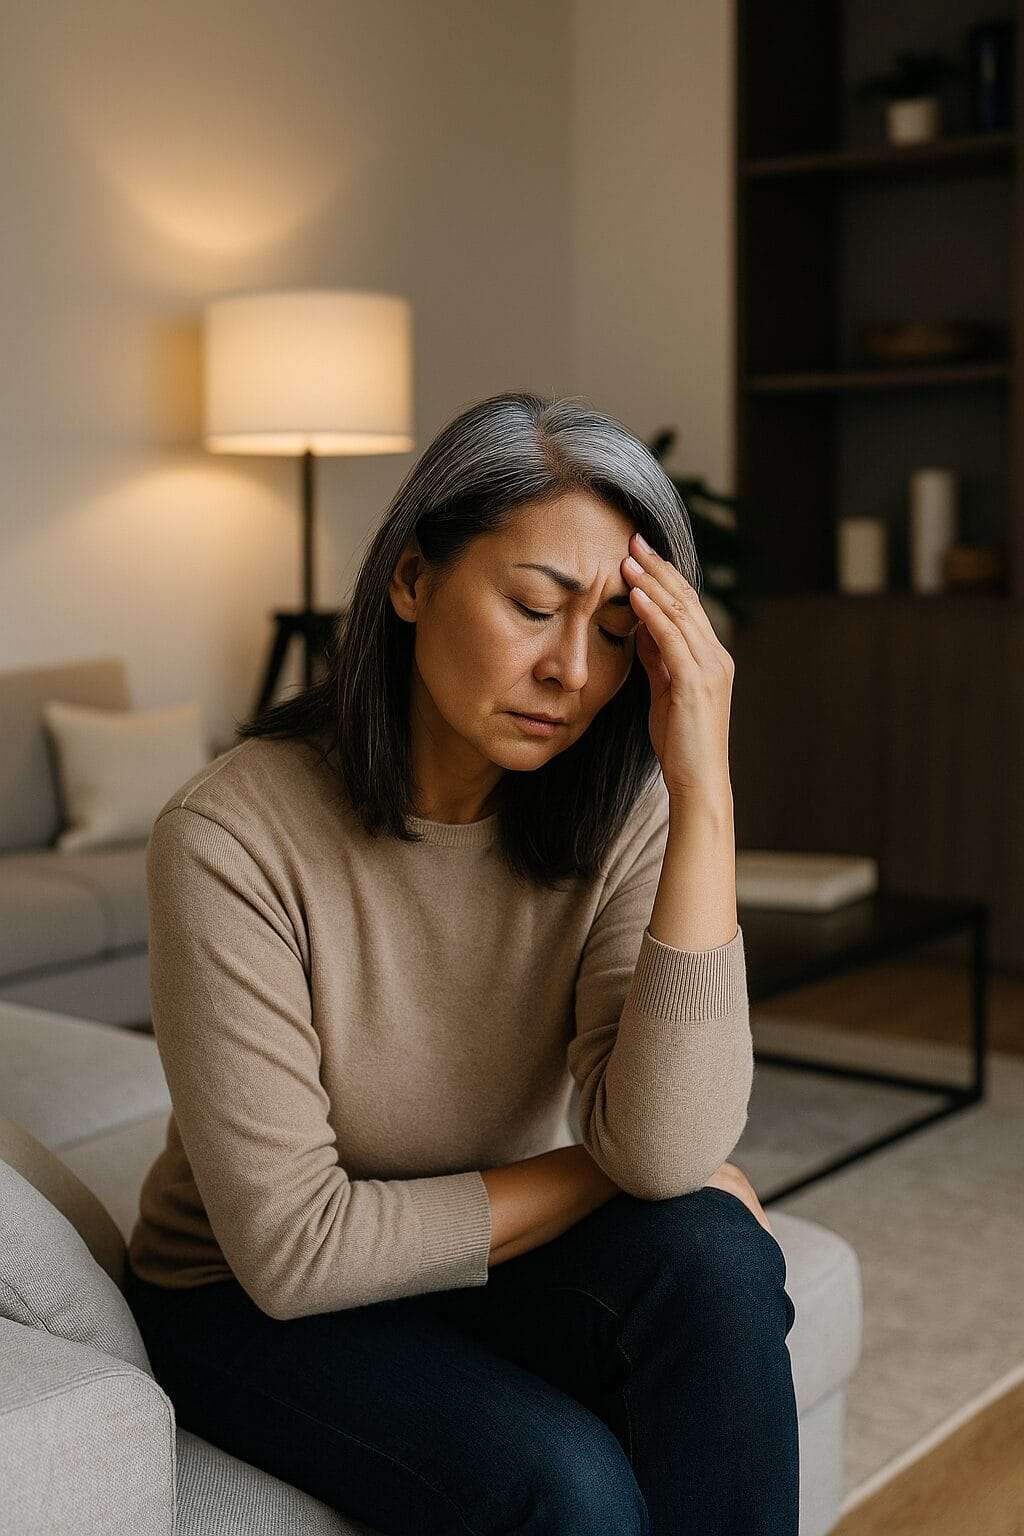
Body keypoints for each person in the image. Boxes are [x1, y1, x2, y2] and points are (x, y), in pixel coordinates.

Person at [123, 390, 799, 1535]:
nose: (573, 671)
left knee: (717, 1262)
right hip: (247, 1303)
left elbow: (679, 1147)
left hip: (473, 1257)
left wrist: (703, 793)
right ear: (412, 580)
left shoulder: (617, 810)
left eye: (619, 634)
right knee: (567, 1485)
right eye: (535, 607)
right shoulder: (229, 837)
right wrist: (606, 1167)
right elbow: (295, 1251)